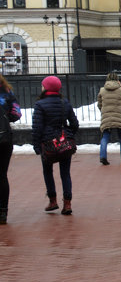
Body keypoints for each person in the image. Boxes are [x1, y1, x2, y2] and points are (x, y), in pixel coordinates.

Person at [31, 76, 78, 215]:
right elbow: (74, 123)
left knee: (47, 171)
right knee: (65, 173)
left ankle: (53, 201)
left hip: (48, 144)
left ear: (46, 88)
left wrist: (36, 145)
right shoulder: (65, 103)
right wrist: (69, 134)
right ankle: (67, 203)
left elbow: (37, 127)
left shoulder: (40, 104)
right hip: (64, 143)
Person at [96, 70, 121, 165]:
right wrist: (120, 86)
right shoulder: (120, 89)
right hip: (119, 116)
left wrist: (104, 110)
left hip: (106, 115)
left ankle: (103, 156)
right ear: (117, 79)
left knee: (105, 136)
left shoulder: (102, 90)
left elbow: (99, 104)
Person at [0, 73, 19, 224]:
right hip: (4, 138)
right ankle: (3, 212)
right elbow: (17, 113)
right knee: (2, 175)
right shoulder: (7, 92)